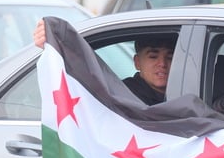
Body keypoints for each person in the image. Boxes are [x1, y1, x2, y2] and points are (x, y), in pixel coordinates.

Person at [32, 18, 175, 106]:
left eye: (169, 57)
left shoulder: (189, 92)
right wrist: (56, 45)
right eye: (153, 56)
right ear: (137, 62)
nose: (162, 63)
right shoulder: (122, 96)